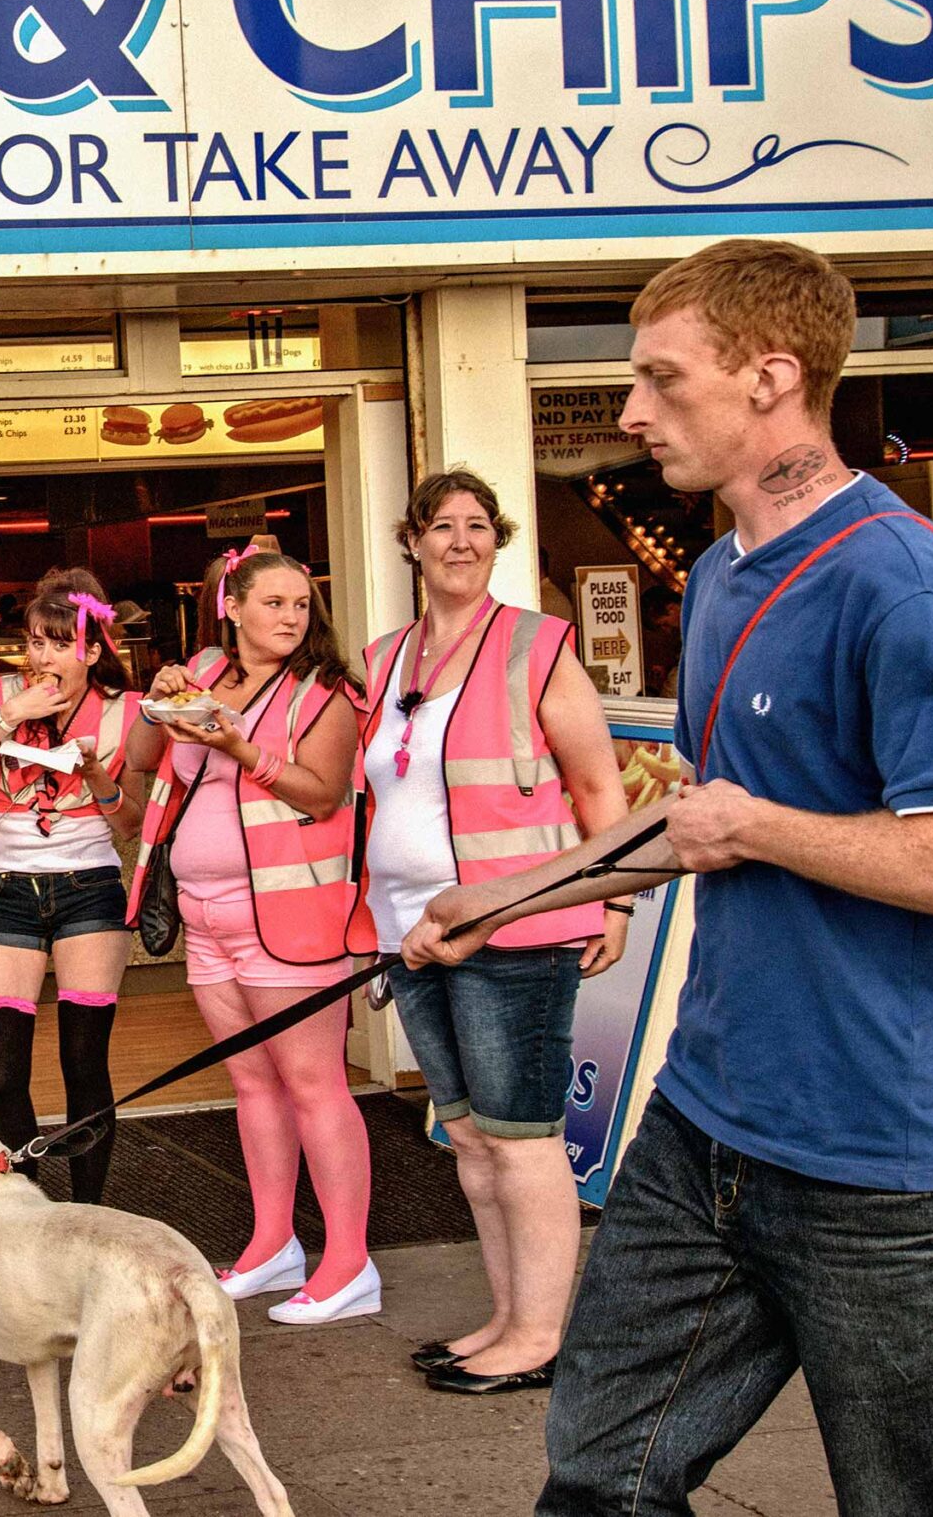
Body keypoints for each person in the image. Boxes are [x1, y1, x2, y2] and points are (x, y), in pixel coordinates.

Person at [401, 240, 933, 1514]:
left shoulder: (901, 585)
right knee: (601, 1472)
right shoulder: (721, 573)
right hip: (708, 1118)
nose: (629, 412)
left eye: (661, 381)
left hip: (884, 1159)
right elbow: (694, 825)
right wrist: (501, 900)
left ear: (771, 377)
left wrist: (766, 829)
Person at [359, 468, 629, 1394]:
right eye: (443, 526)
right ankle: (509, 1317)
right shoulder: (384, 657)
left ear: (499, 540)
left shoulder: (538, 645)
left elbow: (600, 789)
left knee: (521, 1138)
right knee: (469, 1139)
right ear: (413, 540)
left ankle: (542, 1339)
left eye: (480, 526)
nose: (462, 541)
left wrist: (617, 901)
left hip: (516, 927)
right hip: (412, 932)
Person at [130, 551, 377, 1322]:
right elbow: (139, 766)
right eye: (273, 602)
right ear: (230, 606)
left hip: (289, 916)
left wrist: (242, 749)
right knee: (251, 1084)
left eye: (301, 604)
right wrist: (152, 705)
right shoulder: (203, 670)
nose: (291, 617)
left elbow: (326, 791)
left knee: (315, 1086)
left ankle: (349, 1262)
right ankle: (273, 1245)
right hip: (206, 913)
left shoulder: (325, 691)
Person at [0, 567, 148, 1203]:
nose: (43, 656)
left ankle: (88, 1212)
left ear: (92, 649)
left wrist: (93, 772)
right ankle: (25, 1207)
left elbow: (131, 820)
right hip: (6, 884)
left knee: (84, 1062)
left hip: (89, 885)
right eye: (34, 642)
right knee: (4, 1067)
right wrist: (9, 714)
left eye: (59, 643)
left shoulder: (126, 711)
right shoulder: (1, 693)